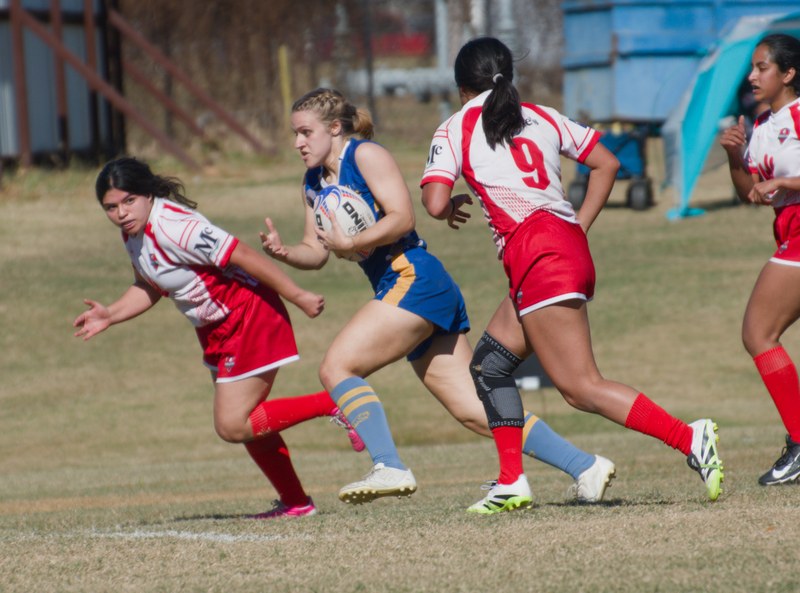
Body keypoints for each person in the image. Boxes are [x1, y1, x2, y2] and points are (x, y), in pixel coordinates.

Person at [261, 87, 618, 507]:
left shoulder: (366, 156)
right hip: (405, 287)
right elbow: (318, 250)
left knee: (338, 366)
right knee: (475, 409)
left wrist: (353, 240)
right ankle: (584, 465)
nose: (298, 143)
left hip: (414, 277)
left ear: (334, 128)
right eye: (295, 134)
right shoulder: (313, 182)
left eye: (305, 132)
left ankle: (388, 464)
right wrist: (286, 254)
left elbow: (402, 217)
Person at [420, 37, 724, 513]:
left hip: (539, 259)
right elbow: (608, 162)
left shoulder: (454, 128)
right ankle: (511, 482)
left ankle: (690, 438)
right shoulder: (541, 114)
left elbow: (435, 202)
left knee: (580, 387)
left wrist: (451, 205)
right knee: (489, 366)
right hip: (558, 251)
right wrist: (575, 228)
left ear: (461, 88)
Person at [73, 157, 365, 520]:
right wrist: (111, 314)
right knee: (247, 423)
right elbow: (149, 285)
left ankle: (334, 403)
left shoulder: (174, 226)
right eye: (111, 207)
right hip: (217, 329)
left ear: (148, 194)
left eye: (129, 200)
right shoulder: (133, 234)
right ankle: (296, 503)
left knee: (232, 425)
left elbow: (242, 254)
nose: (121, 212)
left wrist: (298, 295)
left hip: (248, 316)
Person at [720, 33, 800, 485]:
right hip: (788, 232)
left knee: (758, 332)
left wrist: (787, 183)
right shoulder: (762, 122)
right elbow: (750, 192)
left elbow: (779, 186)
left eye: (762, 67)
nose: (751, 75)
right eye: (752, 68)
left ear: (788, 74)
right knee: (761, 334)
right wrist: (735, 156)